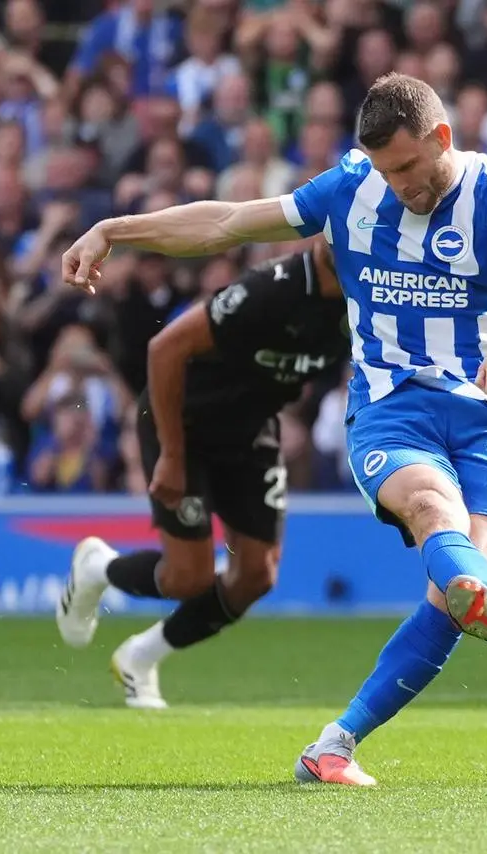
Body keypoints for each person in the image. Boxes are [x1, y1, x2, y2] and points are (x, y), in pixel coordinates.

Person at [58, 73, 487, 786]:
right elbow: (226, 222)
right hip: (393, 407)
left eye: (410, 167)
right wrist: (115, 229)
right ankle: (478, 592)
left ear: (442, 139)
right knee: (431, 512)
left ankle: (334, 744)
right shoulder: (352, 188)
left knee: (456, 586)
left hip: (484, 415)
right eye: (385, 170)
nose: (399, 185)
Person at [56, 240, 349, 708]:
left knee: (256, 574)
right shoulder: (273, 289)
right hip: (184, 422)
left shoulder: (367, 298)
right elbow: (165, 347)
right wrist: (171, 454)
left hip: (252, 430)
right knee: (187, 578)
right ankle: (98, 568)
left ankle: (140, 656)